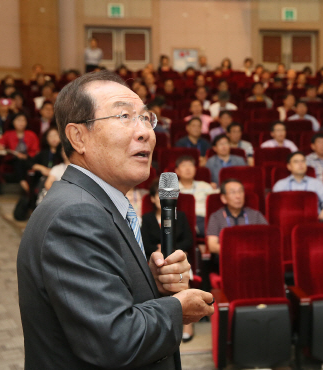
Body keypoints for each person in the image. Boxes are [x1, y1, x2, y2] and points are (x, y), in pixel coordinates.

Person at [17, 71, 213, 369]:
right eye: (124, 116)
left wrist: (152, 285)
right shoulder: (76, 215)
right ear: (78, 136)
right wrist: (176, 308)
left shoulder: (92, 203)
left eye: (146, 118)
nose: (145, 131)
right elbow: (115, 340)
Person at [140, 178, 196, 343]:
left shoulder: (181, 216)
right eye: (157, 195)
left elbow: (188, 240)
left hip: (178, 257)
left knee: (181, 275)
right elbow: (144, 242)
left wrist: (174, 250)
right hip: (155, 260)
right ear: (152, 199)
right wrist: (157, 250)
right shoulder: (148, 218)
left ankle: (186, 324)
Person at [206, 178, 267, 258]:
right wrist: (237, 252)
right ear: (223, 198)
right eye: (233, 192)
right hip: (226, 259)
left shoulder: (255, 215)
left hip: (253, 258)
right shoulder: (216, 217)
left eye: (240, 191)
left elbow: (267, 239)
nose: (238, 196)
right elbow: (212, 246)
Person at [0, 113, 40, 191]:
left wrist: (26, 156)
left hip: (28, 159)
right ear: (13, 122)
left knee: (22, 161)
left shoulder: (31, 134)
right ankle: (24, 183)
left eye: (23, 120)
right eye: (18, 120)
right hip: (13, 160)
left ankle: (24, 183)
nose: (21, 123)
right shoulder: (8, 134)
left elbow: (36, 150)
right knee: (18, 161)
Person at [273, 151, 323, 219]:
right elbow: (275, 207)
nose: (300, 164)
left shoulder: (316, 183)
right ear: (289, 166)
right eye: (296, 162)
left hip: (314, 221)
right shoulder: (280, 185)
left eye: (303, 161)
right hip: (287, 220)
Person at [175, 155, 218, 236]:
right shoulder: (172, 189)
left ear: (195, 169)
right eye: (184, 166)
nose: (188, 169)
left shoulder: (205, 186)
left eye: (191, 165)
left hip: (203, 219)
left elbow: (215, 203)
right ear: (177, 171)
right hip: (182, 221)